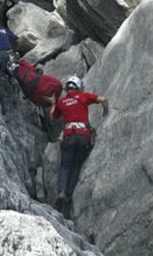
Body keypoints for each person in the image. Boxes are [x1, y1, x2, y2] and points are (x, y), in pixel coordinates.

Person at [50, 75, 108, 218]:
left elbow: (52, 117)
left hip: (69, 135)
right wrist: (105, 111)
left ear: (67, 88)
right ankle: (69, 195)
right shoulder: (83, 97)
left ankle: (62, 192)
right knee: (76, 166)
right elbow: (103, 99)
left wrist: (53, 103)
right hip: (84, 136)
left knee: (65, 166)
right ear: (78, 87)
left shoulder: (62, 102)